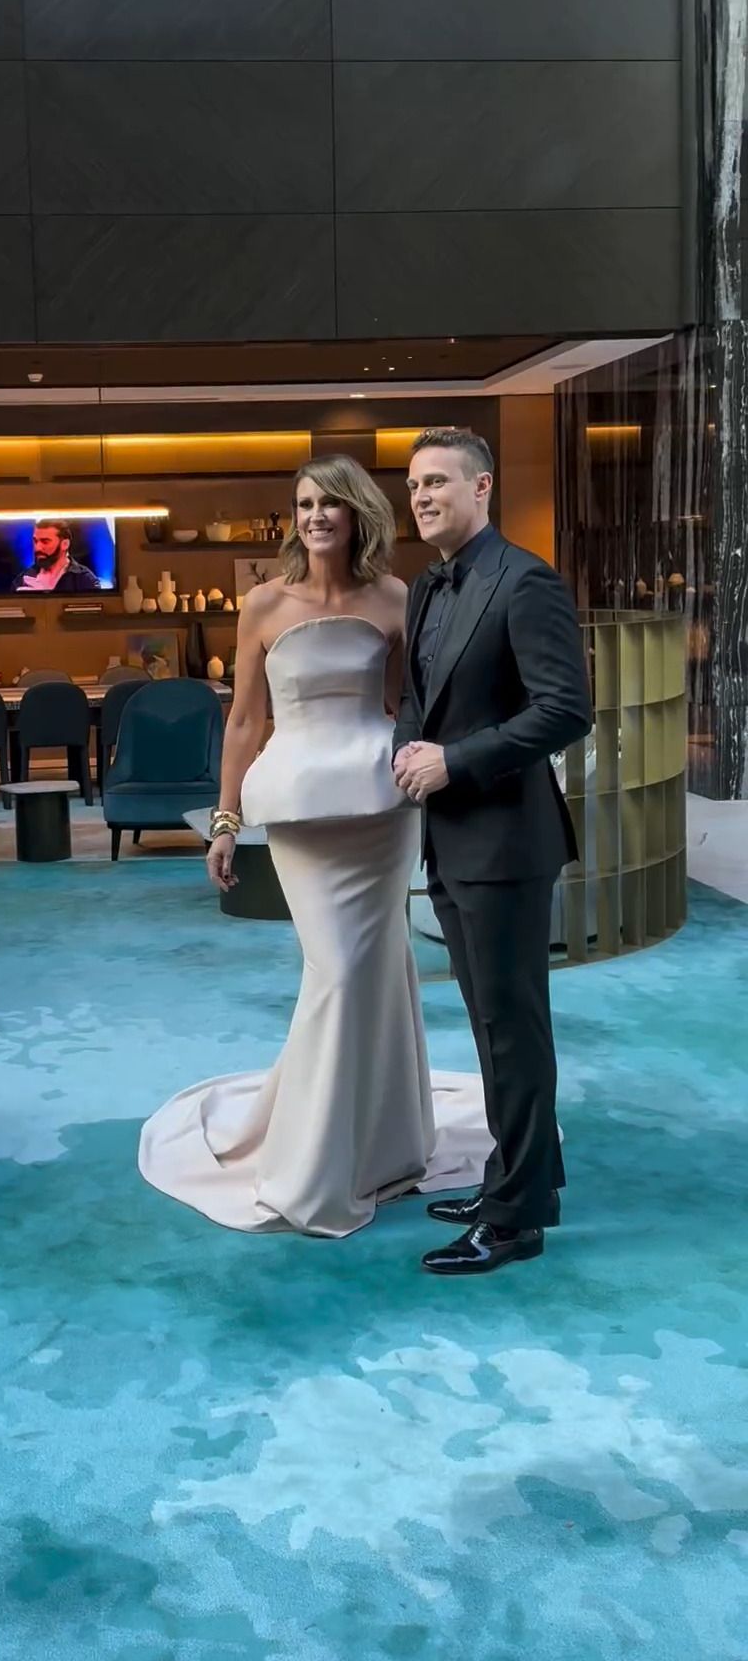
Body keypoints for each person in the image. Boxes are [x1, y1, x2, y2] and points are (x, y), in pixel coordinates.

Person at [138, 454, 490, 1240]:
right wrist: (225, 820)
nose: (315, 516)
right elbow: (244, 721)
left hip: (379, 804)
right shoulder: (264, 603)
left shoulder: (397, 597)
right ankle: (315, 1164)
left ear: (358, 513)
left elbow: (408, 707)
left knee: (379, 966)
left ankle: (384, 1146)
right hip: (299, 807)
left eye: (329, 503)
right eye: (303, 504)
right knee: (337, 969)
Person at [393, 428, 592, 1277]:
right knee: (490, 1024)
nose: (422, 496)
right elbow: (418, 697)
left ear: (482, 488)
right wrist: (408, 751)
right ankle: (520, 1179)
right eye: (414, 485)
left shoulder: (525, 579)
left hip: (508, 838)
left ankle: (515, 1222)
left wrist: (455, 761)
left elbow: (566, 709)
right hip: (449, 836)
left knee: (513, 1031)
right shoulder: (426, 587)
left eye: (438, 481)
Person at [14, 521, 101, 594]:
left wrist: (45, 596)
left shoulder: (84, 579)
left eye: (45, 541)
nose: (38, 548)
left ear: (65, 544)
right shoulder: (24, 578)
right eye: (35, 541)